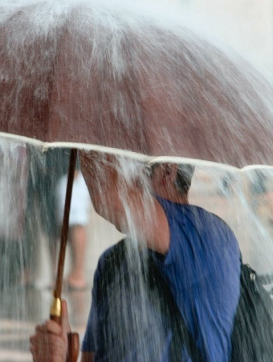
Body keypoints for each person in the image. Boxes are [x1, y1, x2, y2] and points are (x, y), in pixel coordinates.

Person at [30, 152, 241, 362]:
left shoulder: (208, 236)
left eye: (126, 163)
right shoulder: (112, 261)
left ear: (168, 170)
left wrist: (82, 131)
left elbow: (108, 196)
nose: (119, 173)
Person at [54, 167, 91, 291]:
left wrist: (76, 166)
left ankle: (78, 274)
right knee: (64, 224)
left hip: (71, 168)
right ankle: (70, 274)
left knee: (76, 221)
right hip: (54, 170)